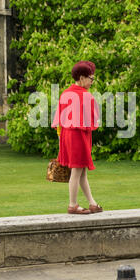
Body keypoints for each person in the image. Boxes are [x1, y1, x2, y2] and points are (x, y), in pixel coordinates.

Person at [51, 61, 103, 215]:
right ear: (82, 78)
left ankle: (92, 203)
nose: (92, 82)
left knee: (81, 172)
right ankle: (72, 205)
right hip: (78, 137)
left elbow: (59, 120)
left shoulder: (66, 93)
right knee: (76, 172)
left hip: (68, 136)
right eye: (91, 79)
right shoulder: (85, 96)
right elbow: (94, 120)